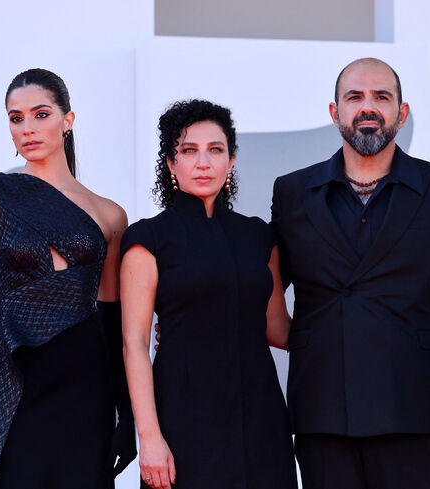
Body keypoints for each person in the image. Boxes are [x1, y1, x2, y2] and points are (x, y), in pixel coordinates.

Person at [270, 57, 430, 489]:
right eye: (354, 97)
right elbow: (257, 282)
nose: (367, 107)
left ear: (401, 114)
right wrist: (191, 319)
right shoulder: (293, 192)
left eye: (381, 97)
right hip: (324, 403)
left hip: (414, 402)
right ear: (335, 113)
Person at [0, 68, 135, 489]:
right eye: (16, 119)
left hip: (87, 388)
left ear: (67, 120)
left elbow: (112, 323)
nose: (27, 129)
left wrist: (124, 414)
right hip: (14, 382)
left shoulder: (110, 215)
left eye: (40, 114)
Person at [120, 99, 297, 489]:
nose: (203, 163)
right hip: (184, 418)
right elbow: (133, 344)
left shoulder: (258, 236)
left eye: (215, 150)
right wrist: (149, 437)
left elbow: (278, 330)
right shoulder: (147, 238)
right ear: (170, 164)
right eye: (189, 151)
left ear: (231, 161)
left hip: (261, 416)